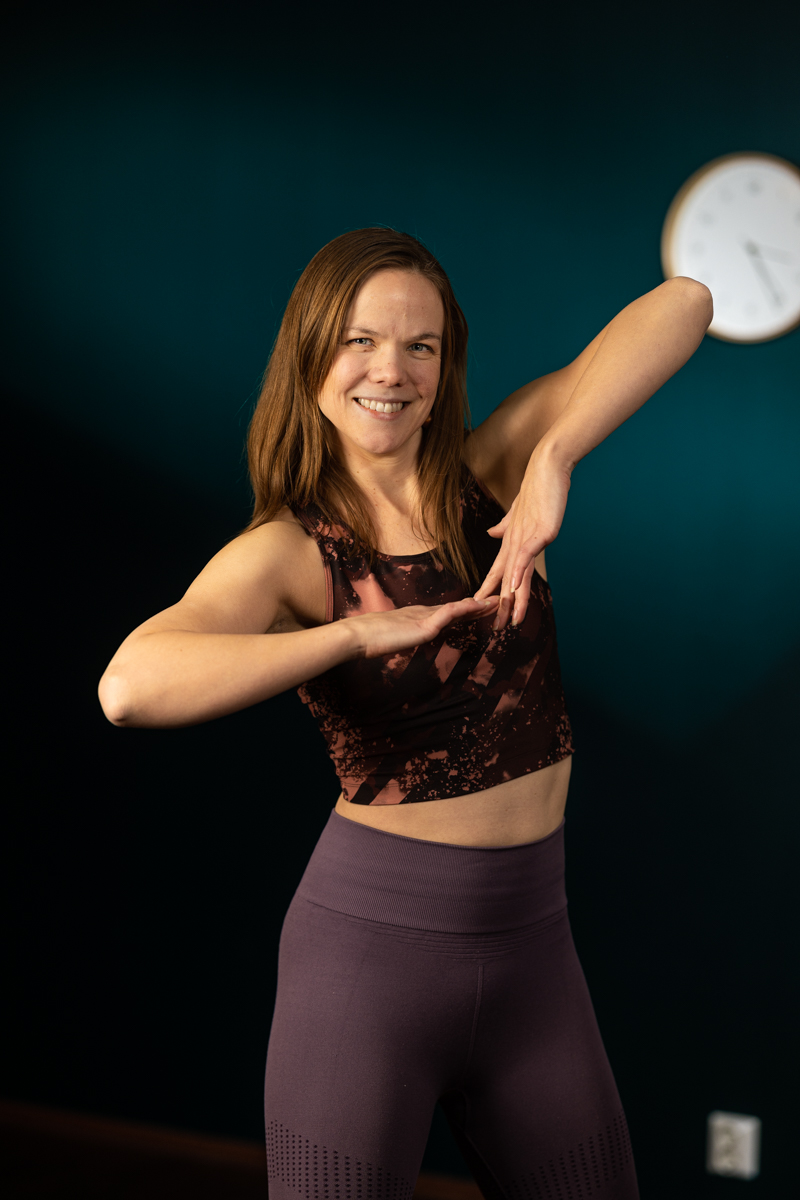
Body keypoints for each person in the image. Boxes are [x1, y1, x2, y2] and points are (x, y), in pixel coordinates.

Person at [99, 227, 712, 1200]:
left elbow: (685, 304)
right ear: (311, 356)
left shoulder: (495, 473)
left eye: (419, 345)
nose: (390, 370)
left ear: (444, 363)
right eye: (359, 341)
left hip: (536, 955)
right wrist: (350, 638)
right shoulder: (287, 554)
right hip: (366, 970)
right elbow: (130, 687)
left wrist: (556, 453)